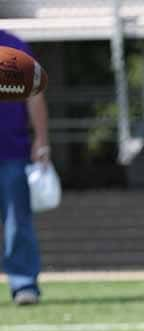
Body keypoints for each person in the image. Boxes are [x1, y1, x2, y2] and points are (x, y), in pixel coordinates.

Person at [0, 29, 49, 305]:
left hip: (12, 151)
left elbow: (34, 95)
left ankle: (23, 284)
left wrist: (41, 141)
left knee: (17, 222)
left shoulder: (13, 46)